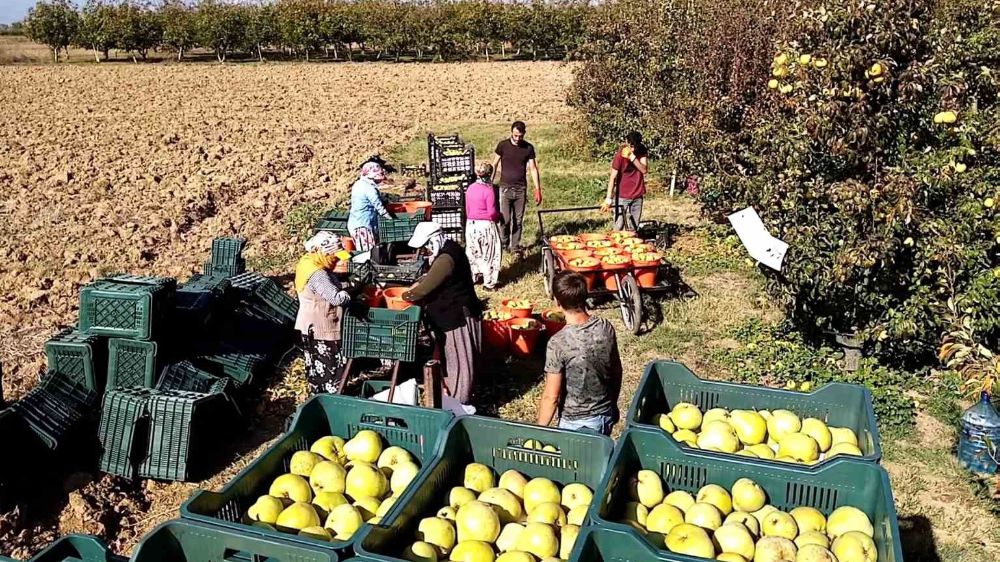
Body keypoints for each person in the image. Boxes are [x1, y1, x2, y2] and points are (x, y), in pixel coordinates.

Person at [403, 222, 484, 404]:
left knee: (458, 363)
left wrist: (405, 295)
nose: (423, 252)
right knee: (455, 360)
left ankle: (457, 404)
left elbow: (422, 290)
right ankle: (453, 397)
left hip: (456, 316)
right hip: (454, 312)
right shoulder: (449, 249)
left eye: (425, 248)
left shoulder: (446, 259)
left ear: (433, 241)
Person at [536, 270, 623, 436]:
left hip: (575, 424)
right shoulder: (605, 327)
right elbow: (616, 370)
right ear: (585, 296)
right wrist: (613, 404)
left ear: (557, 302)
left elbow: (551, 397)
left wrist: (539, 430)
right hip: (605, 414)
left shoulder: (558, 343)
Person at [294, 232, 353, 394]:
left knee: (315, 364)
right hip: (321, 326)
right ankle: (332, 396)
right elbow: (336, 298)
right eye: (334, 257)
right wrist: (350, 293)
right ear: (324, 252)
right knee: (328, 366)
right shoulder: (318, 274)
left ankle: (318, 393)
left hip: (309, 323)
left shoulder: (308, 261)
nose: (337, 260)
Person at [491, 121, 542, 257]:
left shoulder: (528, 148)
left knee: (518, 220)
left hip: (520, 189)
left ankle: (515, 246)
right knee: (505, 220)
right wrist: (489, 183)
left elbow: (533, 168)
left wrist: (537, 189)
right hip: (505, 188)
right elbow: (494, 164)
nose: (517, 138)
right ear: (511, 133)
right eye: (515, 136)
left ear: (524, 134)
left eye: (520, 136)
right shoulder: (503, 146)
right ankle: (503, 243)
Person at [465, 161, 502, 290]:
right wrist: (499, 217)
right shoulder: (489, 190)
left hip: (471, 224)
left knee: (473, 252)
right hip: (485, 225)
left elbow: (468, 209)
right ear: (489, 174)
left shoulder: (470, 188)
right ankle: (489, 283)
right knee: (490, 254)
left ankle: (473, 277)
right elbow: (492, 212)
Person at [604, 131, 649, 230]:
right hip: (623, 195)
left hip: (637, 193)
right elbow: (613, 177)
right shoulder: (620, 155)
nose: (632, 149)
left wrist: (632, 158)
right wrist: (608, 198)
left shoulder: (641, 151)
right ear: (627, 142)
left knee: (634, 225)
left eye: (635, 147)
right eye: (631, 146)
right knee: (618, 225)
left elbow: (644, 170)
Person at [347, 161, 394, 252]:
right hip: (362, 226)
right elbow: (379, 206)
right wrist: (390, 219)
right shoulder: (369, 188)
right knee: (368, 253)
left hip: (355, 221)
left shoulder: (359, 183)